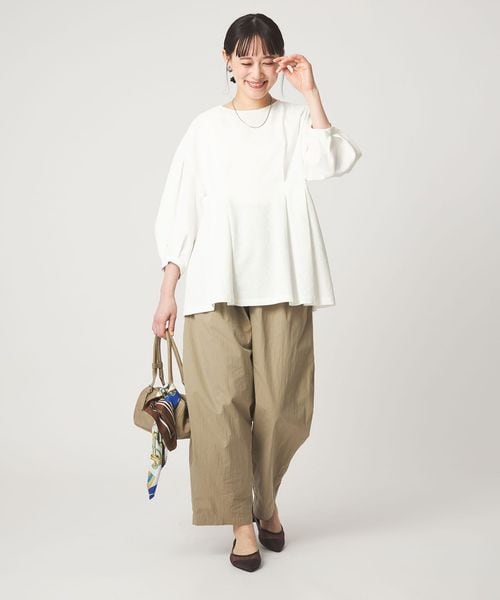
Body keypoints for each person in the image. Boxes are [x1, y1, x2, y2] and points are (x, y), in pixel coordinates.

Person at [152, 13, 362, 572]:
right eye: (245, 60)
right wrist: (168, 289)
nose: (257, 71)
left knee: (284, 408)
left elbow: (333, 161)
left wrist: (311, 92)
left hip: (284, 280)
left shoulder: (295, 121)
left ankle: (265, 500)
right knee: (220, 408)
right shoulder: (205, 128)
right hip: (213, 285)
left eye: (267, 59)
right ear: (226, 61)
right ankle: (241, 524)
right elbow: (181, 208)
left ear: (280, 61)